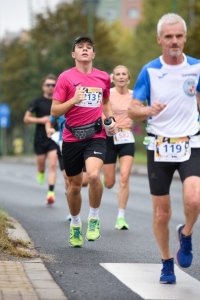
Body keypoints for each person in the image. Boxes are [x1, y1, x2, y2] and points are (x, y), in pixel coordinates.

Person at [128, 13, 200, 284]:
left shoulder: (196, 67)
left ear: (185, 37)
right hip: (159, 146)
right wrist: (147, 109)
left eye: (179, 36)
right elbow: (133, 110)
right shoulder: (150, 71)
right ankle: (167, 261)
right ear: (160, 40)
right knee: (162, 213)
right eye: (168, 36)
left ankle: (187, 234)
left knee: (193, 200)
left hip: (190, 142)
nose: (174, 41)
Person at [51, 35, 117, 247]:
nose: (85, 50)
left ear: (94, 54)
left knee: (94, 176)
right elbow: (54, 111)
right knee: (74, 187)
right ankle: (76, 224)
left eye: (89, 47)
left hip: (95, 136)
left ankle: (94, 218)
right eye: (80, 47)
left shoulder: (103, 78)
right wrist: (73, 100)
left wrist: (110, 120)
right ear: (74, 54)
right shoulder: (65, 78)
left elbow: (106, 102)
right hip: (71, 137)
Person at [102, 65, 135, 230]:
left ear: (128, 78)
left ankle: (121, 217)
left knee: (124, 177)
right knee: (109, 183)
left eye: (124, 74)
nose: (121, 77)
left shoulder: (135, 96)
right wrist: (107, 122)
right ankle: (105, 178)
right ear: (113, 78)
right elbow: (100, 112)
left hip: (127, 138)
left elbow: (140, 113)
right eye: (117, 74)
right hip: (109, 138)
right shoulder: (108, 94)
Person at [45, 114, 89, 221]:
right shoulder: (61, 107)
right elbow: (49, 121)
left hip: (83, 145)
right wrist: (49, 129)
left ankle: (73, 198)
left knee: (84, 182)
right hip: (65, 146)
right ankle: (73, 212)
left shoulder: (83, 105)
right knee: (68, 178)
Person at [23, 74, 59, 205]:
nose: (51, 87)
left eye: (53, 85)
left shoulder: (59, 101)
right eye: (48, 85)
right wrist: (41, 120)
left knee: (53, 164)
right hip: (40, 136)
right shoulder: (37, 101)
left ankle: (50, 193)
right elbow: (26, 118)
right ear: (43, 87)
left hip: (54, 137)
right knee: (42, 165)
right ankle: (40, 172)